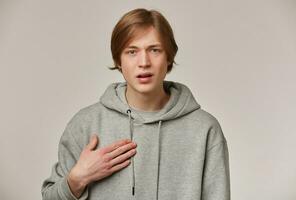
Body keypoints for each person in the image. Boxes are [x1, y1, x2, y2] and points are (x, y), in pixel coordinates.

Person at [42, 8, 230, 200]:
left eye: (154, 50)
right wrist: (77, 179)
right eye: (132, 52)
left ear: (169, 57)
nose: (144, 62)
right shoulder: (85, 124)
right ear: (119, 60)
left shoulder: (205, 129)